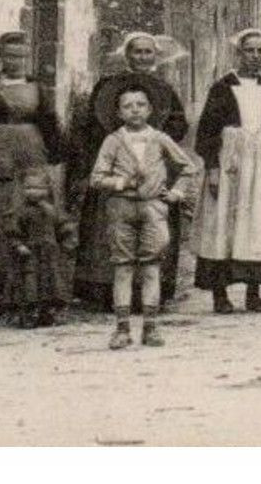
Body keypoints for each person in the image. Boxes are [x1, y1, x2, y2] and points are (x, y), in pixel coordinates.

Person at [73, 31, 190, 307]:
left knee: (153, 229)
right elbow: (92, 125)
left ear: (155, 56)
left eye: (148, 52)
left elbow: (178, 126)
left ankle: (148, 296)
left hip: (151, 166)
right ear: (127, 55)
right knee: (111, 229)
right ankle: (104, 293)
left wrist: (154, 137)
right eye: (137, 51)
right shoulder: (107, 85)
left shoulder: (164, 89)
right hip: (116, 166)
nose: (142, 57)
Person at [0, 32, 66, 317]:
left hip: (32, 158)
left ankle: (29, 292)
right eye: (9, 55)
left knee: (32, 219)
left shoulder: (38, 89)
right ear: (0, 56)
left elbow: (50, 126)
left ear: (27, 56)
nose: (16, 61)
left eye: (21, 56)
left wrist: (54, 162)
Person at [90, 84, 197, 350]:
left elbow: (187, 168)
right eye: (127, 106)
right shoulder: (113, 141)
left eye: (140, 105)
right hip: (121, 209)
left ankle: (151, 327)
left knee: (151, 266)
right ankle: (122, 328)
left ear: (150, 109)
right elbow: (97, 178)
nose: (134, 110)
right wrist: (122, 182)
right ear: (118, 112)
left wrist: (175, 194)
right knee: (123, 267)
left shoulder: (160, 138)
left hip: (153, 209)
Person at [194, 29, 261, 314]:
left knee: (257, 225)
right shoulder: (222, 87)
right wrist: (212, 167)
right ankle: (220, 295)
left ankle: (253, 292)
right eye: (250, 51)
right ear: (239, 53)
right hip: (230, 164)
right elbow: (207, 132)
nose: (255, 57)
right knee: (223, 224)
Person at [4, 167, 77, 329]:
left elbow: (64, 227)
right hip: (29, 255)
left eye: (38, 188)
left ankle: (47, 313)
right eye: (28, 188)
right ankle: (28, 314)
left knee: (50, 283)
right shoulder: (19, 211)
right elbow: (12, 231)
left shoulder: (53, 210)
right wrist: (19, 245)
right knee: (29, 283)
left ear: (47, 190)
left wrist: (66, 243)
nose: (33, 192)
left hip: (50, 255)